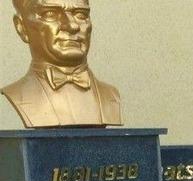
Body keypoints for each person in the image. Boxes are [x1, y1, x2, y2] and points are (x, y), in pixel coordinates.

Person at [2, 0, 121, 128]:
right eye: (50, 14)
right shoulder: (19, 94)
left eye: (80, 15)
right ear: (22, 27)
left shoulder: (111, 95)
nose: (72, 26)